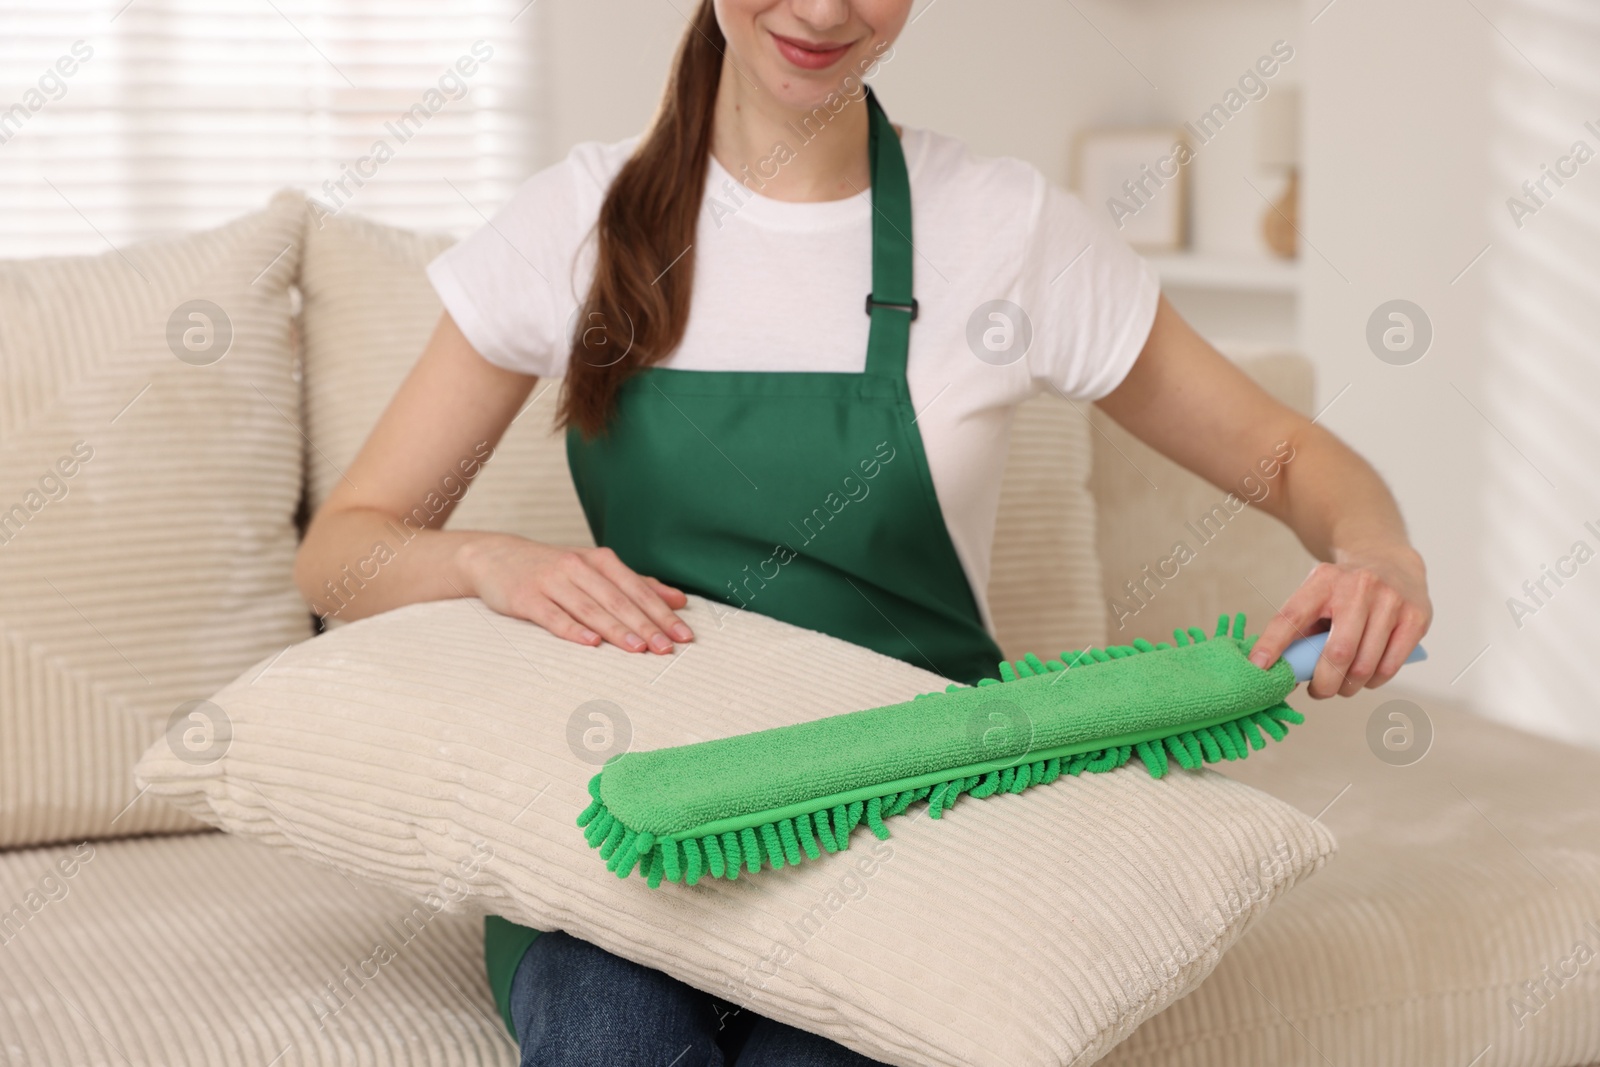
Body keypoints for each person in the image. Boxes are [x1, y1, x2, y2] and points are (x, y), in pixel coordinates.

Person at [293, 1, 1432, 1062]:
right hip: (644, 809)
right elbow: (346, 548)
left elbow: (1285, 455)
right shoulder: (576, 224)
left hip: (913, 814)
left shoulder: (1006, 228)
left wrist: (1373, 549)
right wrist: (489, 558)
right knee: (612, 1035)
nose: (825, 10)